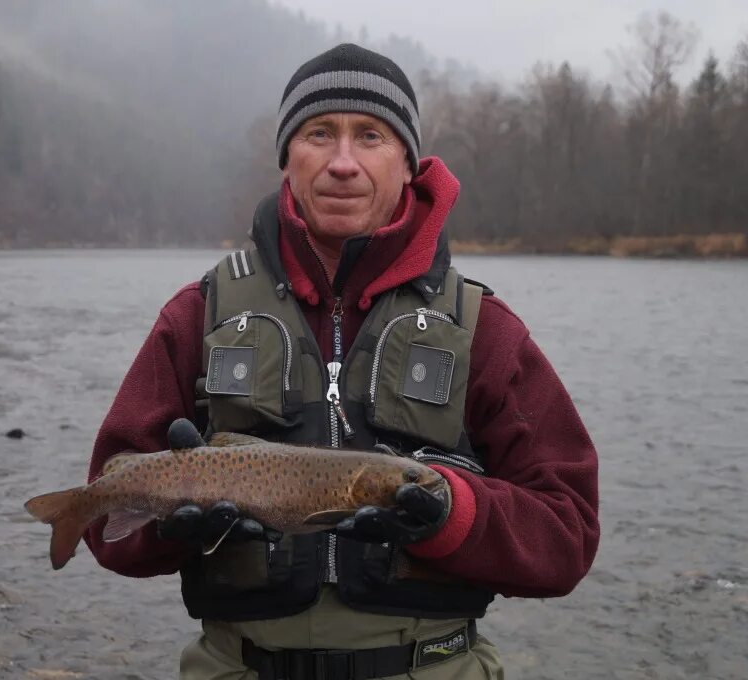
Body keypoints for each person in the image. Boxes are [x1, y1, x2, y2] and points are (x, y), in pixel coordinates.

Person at [85, 43, 599, 680]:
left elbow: (568, 533)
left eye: (372, 136)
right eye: (319, 133)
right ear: (287, 159)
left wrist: (453, 514)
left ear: (409, 163)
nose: (343, 163)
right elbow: (103, 519)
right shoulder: (199, 314)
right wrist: (170, 525)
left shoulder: (484, 330)